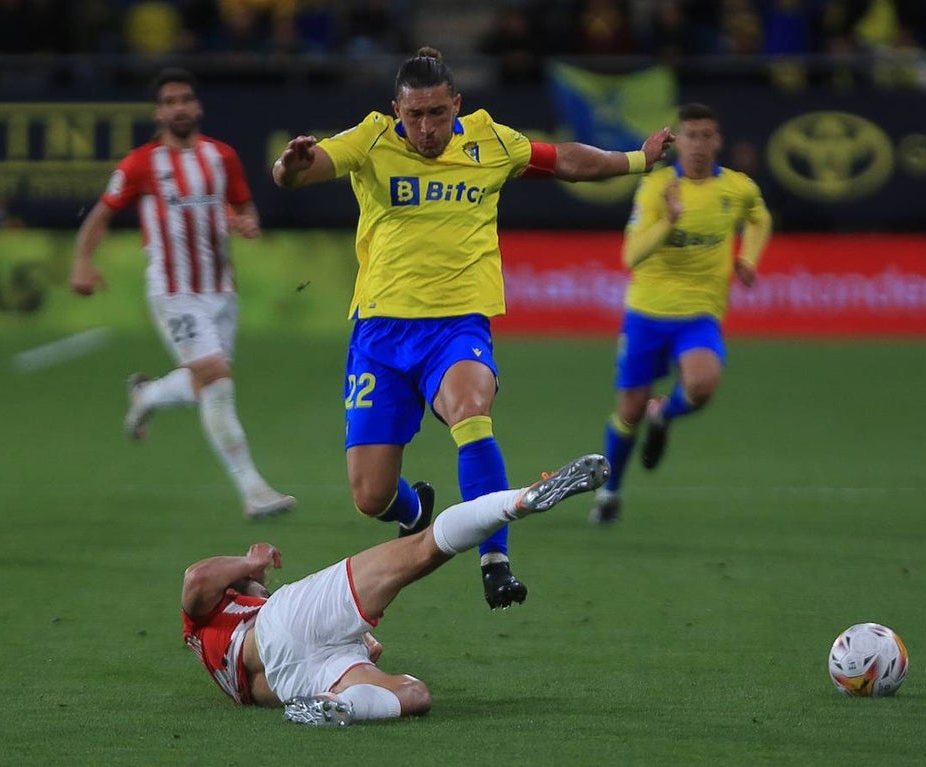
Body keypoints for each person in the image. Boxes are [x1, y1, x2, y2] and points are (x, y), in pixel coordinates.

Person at [271, 46, 673, 608]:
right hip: (380, 338)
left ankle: (495, 559)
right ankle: (415, 511)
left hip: (456, 327)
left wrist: (637, 160)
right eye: (415, 115)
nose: (427, 127)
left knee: (470, 410)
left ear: (456, 104)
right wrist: (291, 164)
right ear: (396, 110)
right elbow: (301, 172)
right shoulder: (372, 139)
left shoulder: (491, 142)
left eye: (438, 113)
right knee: (370, 496)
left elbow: (568, 161)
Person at [181, 453, 610, 725]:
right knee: (420, 550)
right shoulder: (226, 612)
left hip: (296, 682)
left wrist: (359, 644)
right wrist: (248, 561)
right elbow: (197, 578)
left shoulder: (218, 651)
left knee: (414, 695)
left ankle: (343, 707)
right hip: (288, 628)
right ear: (235, 587)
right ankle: (519, 500)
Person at [69, 67, 294, 519]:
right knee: (217, 381)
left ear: (198, 106)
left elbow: (242, 204)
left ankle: (147, 396)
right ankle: (253, 490)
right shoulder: (140, 164)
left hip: (221, 291)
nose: (179, 107)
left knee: (202, 385)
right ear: (159, 111)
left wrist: (245, 220)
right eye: (170, 101)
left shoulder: (222, 157)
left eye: (186, 99)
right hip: (175, 292)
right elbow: (101, 214)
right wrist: (82, 262)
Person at [590, 103, 772, 524]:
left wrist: (750, 258)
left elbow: (760, 218)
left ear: (717, 141)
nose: (699, 145)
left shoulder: (737, 189)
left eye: (707, 136)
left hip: (699, 315)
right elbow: (631, 255)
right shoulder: (657, 189)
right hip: (646, 315)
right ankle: (610, 493)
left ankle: (664, 414)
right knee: (628, 412)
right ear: (678, 141)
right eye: (691, 135)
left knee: (703, 383)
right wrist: (669, 224)